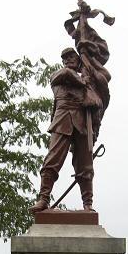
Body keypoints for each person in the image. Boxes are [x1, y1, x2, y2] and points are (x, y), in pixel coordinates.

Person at [30, 47, 99, 213]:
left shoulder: (87, 82)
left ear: (79, 60)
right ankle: (43, 199)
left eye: (72, 57)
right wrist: (83, 81)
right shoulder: (59, 75)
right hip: (62, 121)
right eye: (65, 58)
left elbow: (97, 102)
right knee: (52, 160)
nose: (68, 60)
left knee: (85, 166)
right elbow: (64, 75)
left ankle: (87, 203)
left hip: (82, 124)